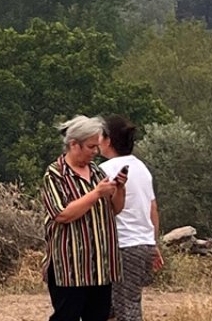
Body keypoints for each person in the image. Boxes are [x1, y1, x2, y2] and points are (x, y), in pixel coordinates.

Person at [39, 115, 127, 321]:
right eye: (90, 147)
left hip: (100, 266)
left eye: (97, 147)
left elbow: (114, 210)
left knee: (98, 316)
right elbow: (61, 214)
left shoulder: (97, 172)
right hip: (71, 267)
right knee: (66, 316)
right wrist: (95, 193)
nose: (96, 152)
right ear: (73, 145)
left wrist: (119, 189)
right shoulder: (55, 175)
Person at [100, 115, 163, 321]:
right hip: (143, 244)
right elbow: (152, 208)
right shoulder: (142, 168)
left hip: (123, 245)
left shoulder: (106, 170)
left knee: (127, 309)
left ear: (108, 140)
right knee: (109, 307)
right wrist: (153, 244)